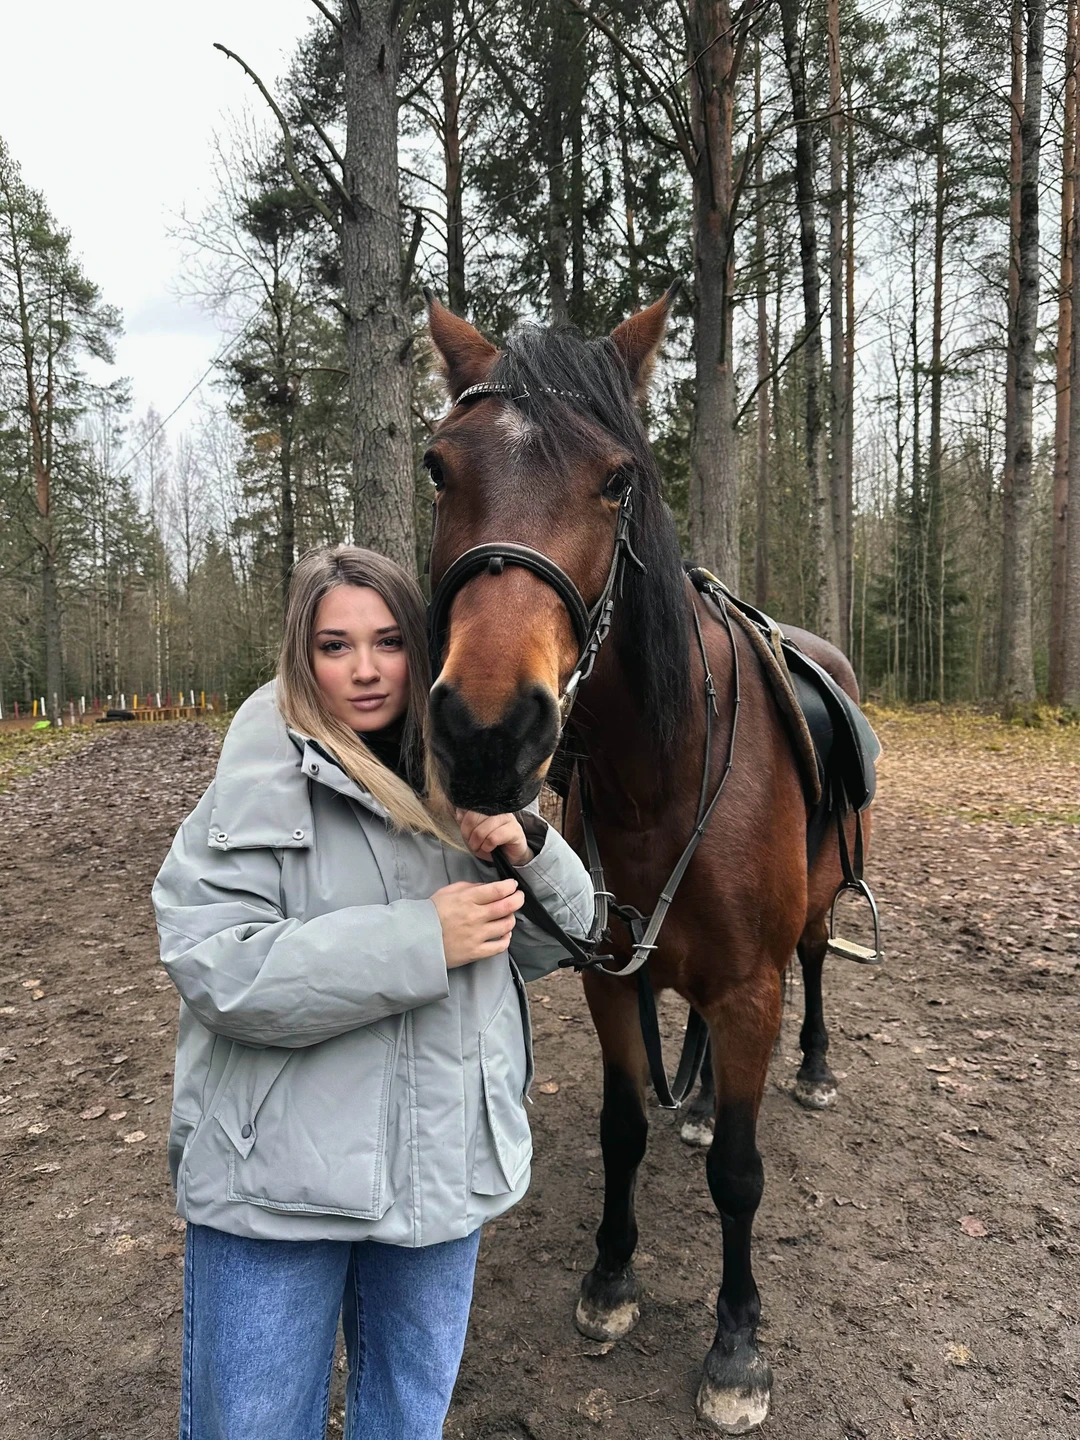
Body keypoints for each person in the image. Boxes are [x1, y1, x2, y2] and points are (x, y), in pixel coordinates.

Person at [152, 544, 594, 1440]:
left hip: (439, 1174)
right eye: (333, 645)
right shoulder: (260, 771)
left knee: (407, 1423)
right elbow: (218, 965)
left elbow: (561, 945)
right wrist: (419, 939)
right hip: (276, 1185)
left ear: (423, 649)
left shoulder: (464, 772)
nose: (363, 669)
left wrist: (530, 848)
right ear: (300, 656)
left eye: (388, 641)